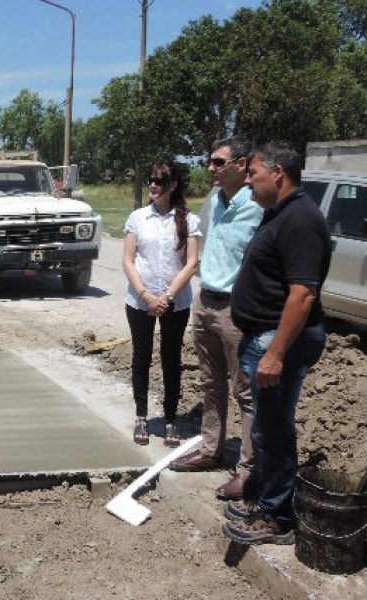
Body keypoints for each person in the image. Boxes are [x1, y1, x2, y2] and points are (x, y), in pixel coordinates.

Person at [223, 142, 331, 545]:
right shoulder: (280, 214)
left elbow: (302, 294)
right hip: (263, 336)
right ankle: (265, 501)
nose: (248, 179)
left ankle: (277, 518)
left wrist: (276, 352)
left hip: (279, 341)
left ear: (278, 174)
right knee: (266, 430)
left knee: (275, 430)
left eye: (253, 173)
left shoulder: (301, 220)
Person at [169, 138, 263, 503]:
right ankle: (211, 450)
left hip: (236, 311)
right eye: (210, 161)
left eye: (218, 162)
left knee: (245, 391)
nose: (210, 168)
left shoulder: (256, 206)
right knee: (210, 383)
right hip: (205, 302)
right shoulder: (214, 202)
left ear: (241, 164)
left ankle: (248, 470)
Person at [123, 161, 202, 447]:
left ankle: (170, 419)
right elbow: (128, 260)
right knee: (141, 357)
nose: (153, 186)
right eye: (151, 181)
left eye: (159, 181)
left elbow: (191, 263)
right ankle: (141, 416)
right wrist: (145, 295)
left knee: (171, 360)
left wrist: (167, 296)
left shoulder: (188, 221)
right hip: (139, 300)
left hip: (175, 303)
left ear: (173, 185)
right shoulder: (138, 218)